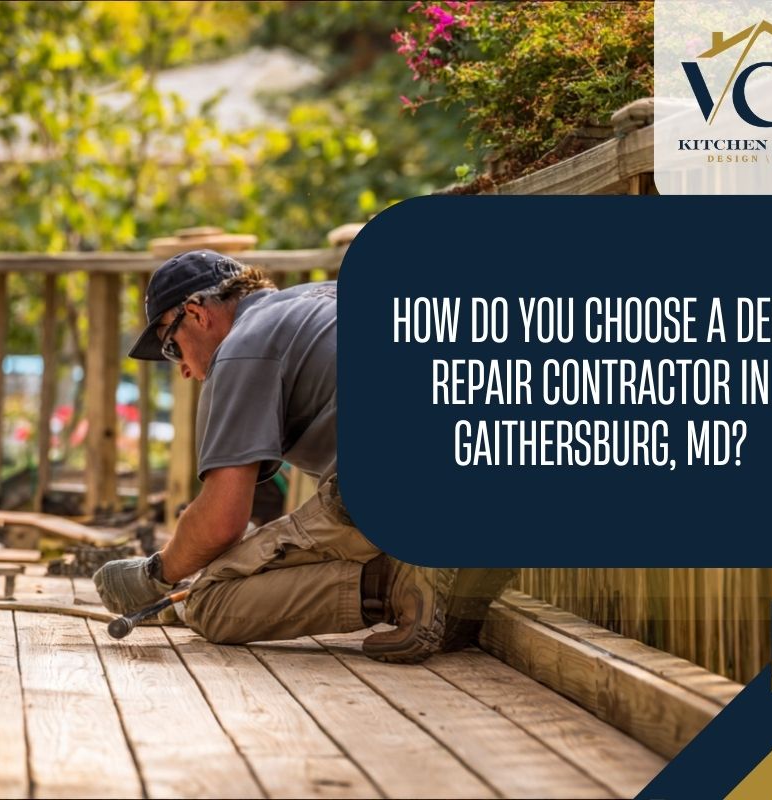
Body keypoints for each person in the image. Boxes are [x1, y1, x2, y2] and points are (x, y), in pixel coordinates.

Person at [93, 249, 515, 663]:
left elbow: (223, 522)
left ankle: (400, 585)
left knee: (211, 600)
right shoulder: (323, 298)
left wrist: (155, 575)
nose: (182, 369)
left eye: (171, 347)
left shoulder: (240, 348)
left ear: (198, 314)